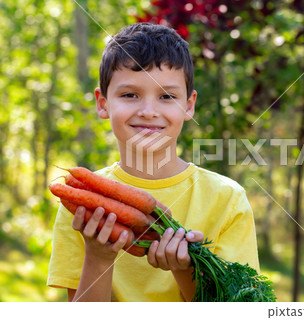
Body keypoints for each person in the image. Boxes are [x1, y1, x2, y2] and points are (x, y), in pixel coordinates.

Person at [47, 23, 260, 302]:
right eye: (129, 95)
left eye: (167, 96)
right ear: (102, 103)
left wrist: (184, 270)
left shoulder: (227, 200)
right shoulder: (82, 201)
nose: (149, 112)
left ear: (189, 105)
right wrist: (99, 259)